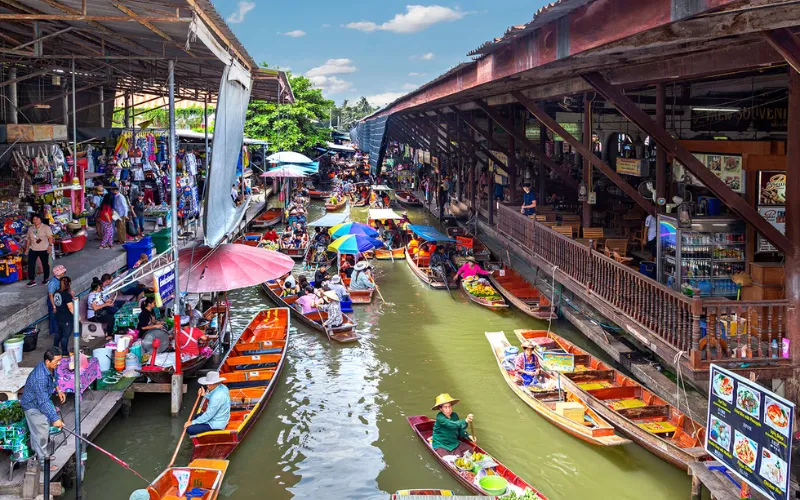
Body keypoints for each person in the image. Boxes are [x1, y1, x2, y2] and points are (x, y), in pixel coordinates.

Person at [21, 350, 65, 469]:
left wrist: (58, 390)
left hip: (40, 401)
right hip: (33, 405)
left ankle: (42, 455)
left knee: (43, 430)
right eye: (57, 361)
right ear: (47, 361)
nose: (59, 363)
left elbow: (54, 377)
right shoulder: (40, 377)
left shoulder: (50, 367)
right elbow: (43, 401)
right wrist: (55, 419)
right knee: (41, 434)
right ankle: (43, 464)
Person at [185, 371, 230, 436]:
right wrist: (205, 394)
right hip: (221, 417)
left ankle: (208, 434)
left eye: (210, 384)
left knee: (189, 429)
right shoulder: (223, 387)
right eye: (207, 384)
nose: (207, 386)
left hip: (217, 424)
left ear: (216, 383)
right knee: (197, 416)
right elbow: (214, 398)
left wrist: (192, 422)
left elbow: (208, 415)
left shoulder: (216, 397)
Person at [430, 393, 475, 457]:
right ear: (441, 409)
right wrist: (465, 420)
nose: (448, 410)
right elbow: (452, 425)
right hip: (441, 444)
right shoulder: (440, 417)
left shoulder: (454, 415)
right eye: (445, 407)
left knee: (471, 450)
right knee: (455, 458)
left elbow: (459, 429)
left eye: (449, 406)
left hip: (453, 442)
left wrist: (468, 436)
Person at [24, 214, 54, 287]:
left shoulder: (46, 227)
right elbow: (28, 239)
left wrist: (50, 246)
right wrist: (27, 249)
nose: (35, 221)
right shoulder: (31, 229)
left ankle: (46, 278)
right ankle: (32, 280)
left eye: (37, 219)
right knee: (31, 264)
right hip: (33, 249)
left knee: (45, 264)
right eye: (34, 219)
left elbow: (50, 237)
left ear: (40, 219)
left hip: (43, 249)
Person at [52, 276, 74, 354]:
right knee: (65, 336)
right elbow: (71, 308)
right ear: (69, 284)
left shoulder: (56, 293)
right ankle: (64, 352)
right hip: (66, 317)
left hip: (58, 316)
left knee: (58, 334)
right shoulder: (66, 294)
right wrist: (77, 316)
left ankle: (55, 349)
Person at [47, 265, 67, 337]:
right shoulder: (53, 283)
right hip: (53, 301)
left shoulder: (61, 280)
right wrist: (54, 306)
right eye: (63, 272)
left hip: (58, 300)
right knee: (53, 317)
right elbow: (50, 295)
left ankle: (58, 330)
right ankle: (53, 332)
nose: (64, 273)